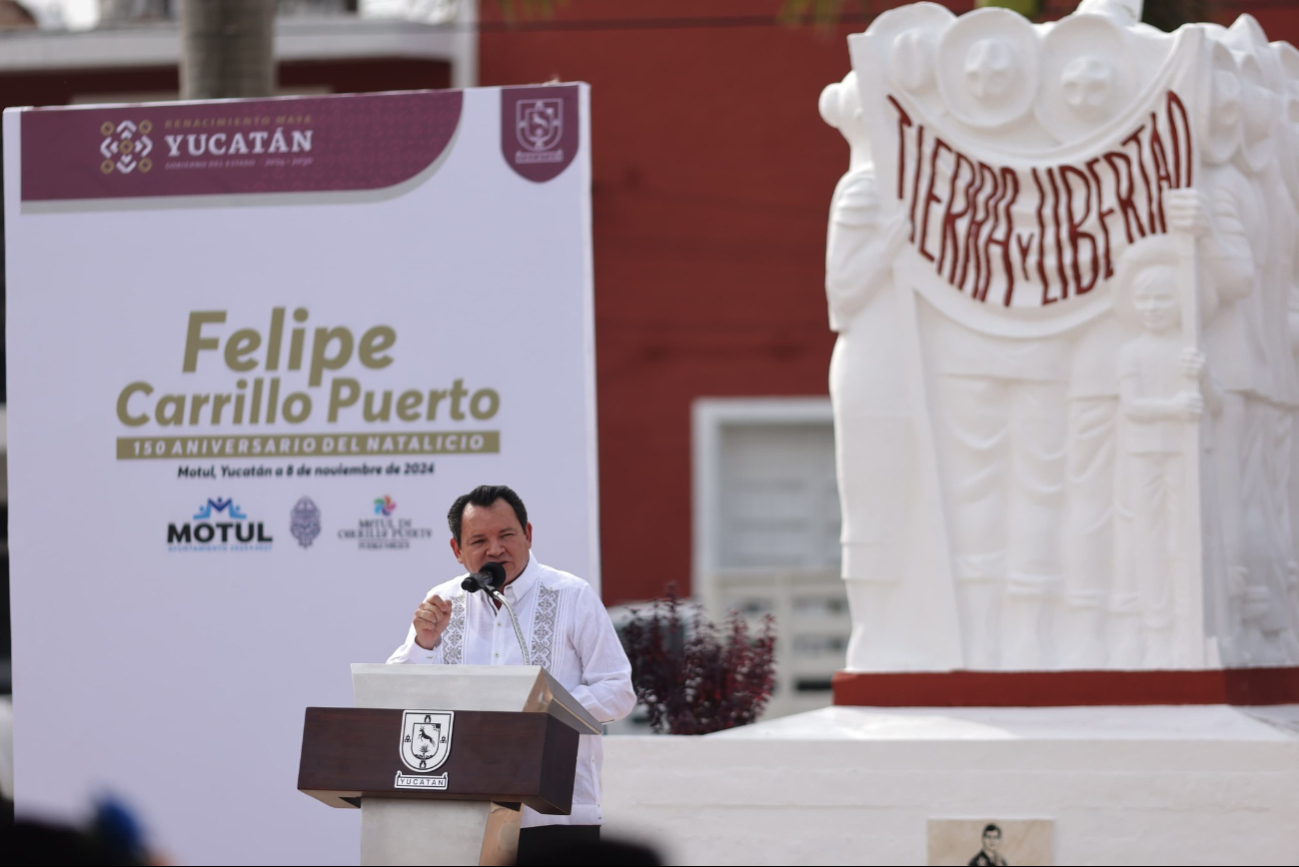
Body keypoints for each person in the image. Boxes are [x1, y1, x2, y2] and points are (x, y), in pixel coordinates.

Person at [387, 485, 636, 857]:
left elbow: (618, 691)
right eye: (479, 540)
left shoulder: (572, 596)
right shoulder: (441, 603)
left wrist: (544, 708)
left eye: (506, 535)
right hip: (462, 812)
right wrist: (423, 644)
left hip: (556, 817)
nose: (495, 549)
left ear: (528, 535)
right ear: (457, 550)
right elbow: (395, 694)